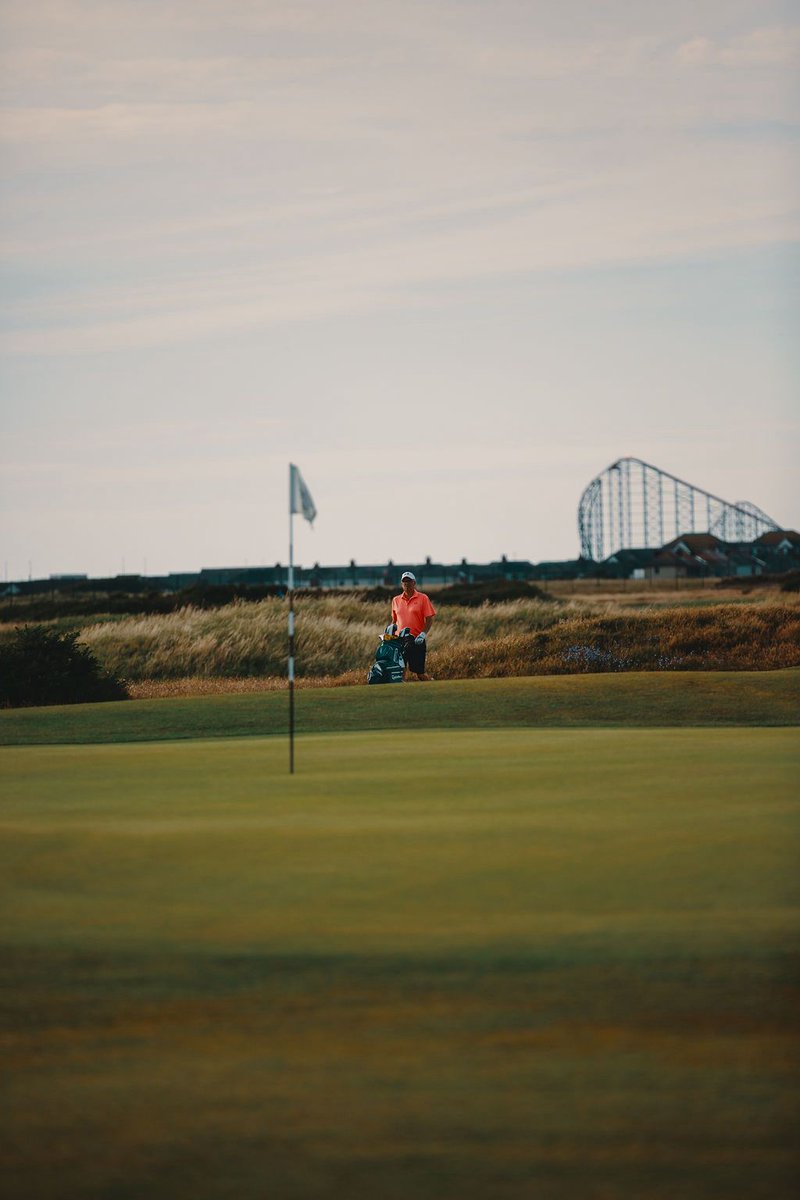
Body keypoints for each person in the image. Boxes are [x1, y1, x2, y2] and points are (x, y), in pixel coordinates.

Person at [390, 571, 436, 681]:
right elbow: (394, 620)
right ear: (402, 584)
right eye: (404, 581)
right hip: (400, 640)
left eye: (409, 581)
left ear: (414, 583)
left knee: (420, 674)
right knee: (400, 669)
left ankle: (433, 686)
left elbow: (429, 619)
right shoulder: (396, 600)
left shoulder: (423, 598)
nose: (406, 583)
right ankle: (403, 689)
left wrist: (423, 634)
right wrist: (390, 632)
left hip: (416, 639)